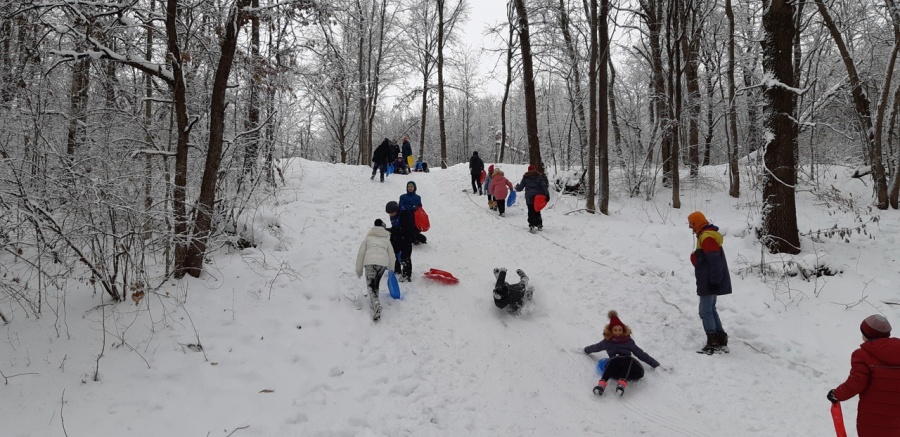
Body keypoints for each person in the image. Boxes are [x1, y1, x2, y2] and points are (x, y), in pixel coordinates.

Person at [827, 314, 900, 437]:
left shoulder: (863, 355)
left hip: (874, 419)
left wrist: (837, 394)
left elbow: (856, 383)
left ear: (867, 335)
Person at [583, 310, 662, 396]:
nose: (618, 332)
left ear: (623, 330)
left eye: (620, 330)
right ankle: (601, 385)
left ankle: (621, 385)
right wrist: (585, 350)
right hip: (615, 368)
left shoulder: (628, 342)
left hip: (628, 368)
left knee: (628, 359)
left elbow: (641, 354)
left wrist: (656, 365)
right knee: (613, 360)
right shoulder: (607, 342)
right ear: (611, 330)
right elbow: (596, 347)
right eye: (615, 330)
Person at [688, 211, 732, 354]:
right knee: (711, 309)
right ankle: (721, 337)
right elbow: (707, 260)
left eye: (691, 224)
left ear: (696, 223)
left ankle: (713, 341)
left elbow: (714, 261)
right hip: (709, 280)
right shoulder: (707, 235)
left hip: (709, 281)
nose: (690, 228)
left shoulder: (706, 237)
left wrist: (713, 281)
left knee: (705, 311)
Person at [355, 219, 394, 321]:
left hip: (370, 263)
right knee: (376, 284)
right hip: (382, 263)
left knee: (370, 285)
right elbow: (391, 255)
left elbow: (361, 254)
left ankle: (376, 304)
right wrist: (391, 268)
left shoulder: (368, 237)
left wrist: (359, 269)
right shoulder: (386, 239)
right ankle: (375, 303)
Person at [516, 164, 551, 232]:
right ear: (534, 170)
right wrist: (547, 195)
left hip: (529, 197)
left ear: (528, 170)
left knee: (531, 211)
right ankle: (539, 224)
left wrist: (516, 187)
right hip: (537, 197)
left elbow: (520, 188)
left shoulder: (525, 177)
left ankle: (532, 225)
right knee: (537, 210)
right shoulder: (539, 177)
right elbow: (544, 186)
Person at [386, 200, 414, 282]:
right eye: (389, 213)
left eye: (392, 213)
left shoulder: (405, 215)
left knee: (405, 257)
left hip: (406, 237)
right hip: (397, 236)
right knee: (394, 253)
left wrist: (390, 230)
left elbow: (403, 229)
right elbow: (395, 227)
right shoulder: (394, 215)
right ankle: (397, 269)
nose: (390, 215)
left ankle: (406, 275)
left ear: (396, 210)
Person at [399, 180, 426, 245]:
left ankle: (414, 237)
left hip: (414, 216)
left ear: (414, 188)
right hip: (405, 215)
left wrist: (410, 207)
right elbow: (401, 205)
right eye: (409, 187)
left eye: (411, 186)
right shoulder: (403, 197)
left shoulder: (417, 197)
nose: (410, 188)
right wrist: (409, 207)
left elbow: (419, 206)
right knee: (407, 218)